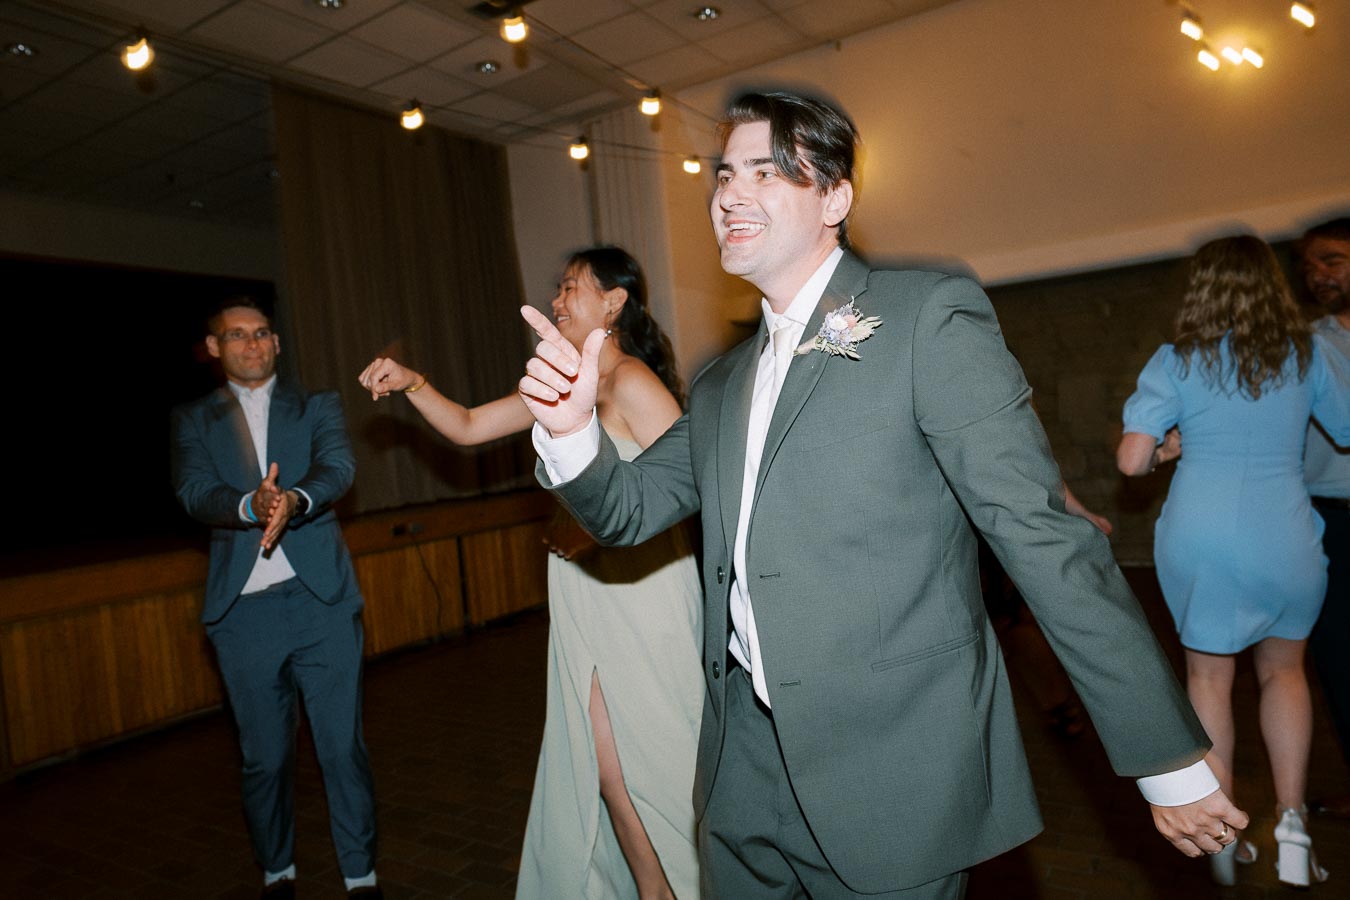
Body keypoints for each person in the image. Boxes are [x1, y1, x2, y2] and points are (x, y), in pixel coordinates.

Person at [517, 90, 1244, 899]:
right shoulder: (722, 383)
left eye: (765, 171)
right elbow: (626, 513)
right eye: (723, 175)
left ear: (834, 197)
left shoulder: (926, 317)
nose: (729, 194)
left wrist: (1166, 757)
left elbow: (1045, 540)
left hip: (894, 767)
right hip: (745, 774)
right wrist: (571, 432)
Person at [358, 247, 703, 899]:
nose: (557, 299)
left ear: (614, 301)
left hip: (643, 591)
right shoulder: (558, 386)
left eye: (571, 287)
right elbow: (465, 426)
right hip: (585, 599)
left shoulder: (632, 381)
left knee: (647, 761)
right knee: (605, 767)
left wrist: (597, 538)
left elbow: (685, 492)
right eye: (559, 289)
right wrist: (412, 383)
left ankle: (674, 890)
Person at [1118, 234, 1350, 887]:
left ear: (1203, 290)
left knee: (1210, 681)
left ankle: (1221, 837)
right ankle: (1295, 827)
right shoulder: (1305, 352)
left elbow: (1131, 461)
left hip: (1202, 537)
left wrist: (1168, 448)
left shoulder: (1175, 360)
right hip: (1287, 536)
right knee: (1286, 675)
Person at [170, 297, 381, 899]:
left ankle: (362, 876)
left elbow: (338, 468)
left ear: (277, 343)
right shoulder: (193, 420)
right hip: (243, 617)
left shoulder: (317, 405)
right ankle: (278, 871)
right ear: (214, 348)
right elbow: (193, 490)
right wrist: (250, 504)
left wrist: (293, 500)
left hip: (322, 605)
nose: (252, 344)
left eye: (262, 333)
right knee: (265, 760)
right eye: (236, 335)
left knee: (342, 750)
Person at [1298, 218, 1350, 818]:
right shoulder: (1305, 343)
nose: (1318, 276)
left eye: (1332, 261)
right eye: (1310, 266)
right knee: (1339, 659)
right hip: (1329, 521)